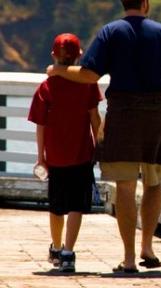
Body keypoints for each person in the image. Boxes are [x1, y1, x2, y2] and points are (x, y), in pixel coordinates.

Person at [47, 0, 161, 273]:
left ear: (124, 3)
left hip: (122, 113)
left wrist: (58, 70)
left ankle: (128, 259)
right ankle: (148, 248)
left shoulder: (111, 32)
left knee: (125, 186)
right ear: (145, 2)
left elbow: (88, 75)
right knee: (153, 182)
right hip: (156, 112)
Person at [28, 33, 103, 273]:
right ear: (80, 55)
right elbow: (94, 117)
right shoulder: (88, 85)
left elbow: (40, 125)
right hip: (82, 154)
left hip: (56, 156)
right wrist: (99, 146)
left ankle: (56, 247)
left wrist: (41, 157)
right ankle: (69, 252)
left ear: (53, 56)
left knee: (56, 206)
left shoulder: (46, 87)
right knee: (76, 205)